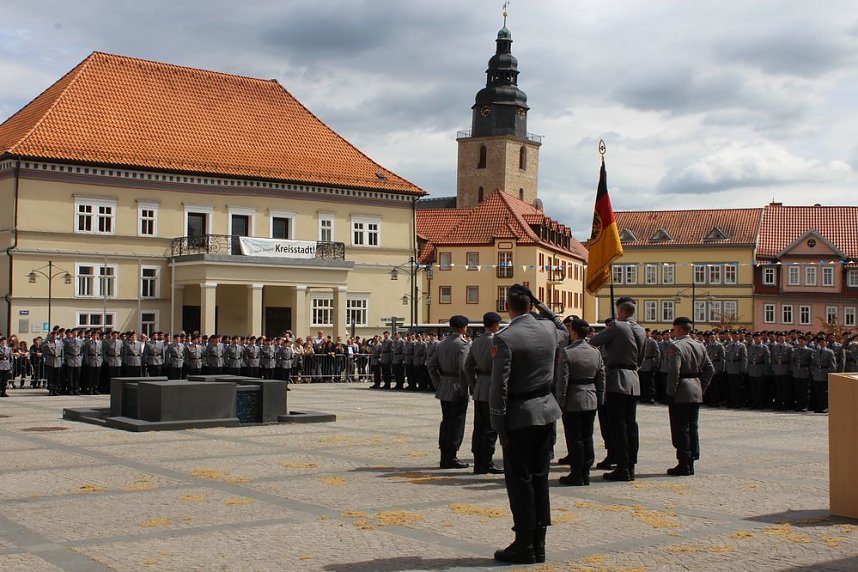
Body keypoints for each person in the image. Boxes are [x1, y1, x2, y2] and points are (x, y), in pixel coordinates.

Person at [490, 284, 565, 565]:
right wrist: (541, 305)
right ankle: (539, 543)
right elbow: (561, 327)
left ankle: (523, 544)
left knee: (520, 482)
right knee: (540, 478)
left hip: (519, 416)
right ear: (531, 305)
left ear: (508, 307)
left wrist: (497, 422)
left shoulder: (505, 337)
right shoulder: (549, 331)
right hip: (546, 411)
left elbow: (499, 387)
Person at [588, 297, 646, 482]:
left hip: (617, 378)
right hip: (633, 378)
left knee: (617, 425)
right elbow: (641, 358)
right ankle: (630, 465)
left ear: (620, 311)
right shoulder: (641, 329)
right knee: (631, 425)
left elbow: (593, 342)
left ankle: (622, 466)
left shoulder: (617, 326)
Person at [556, 316, 605, 486]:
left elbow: (563, 380)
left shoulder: (567, 352)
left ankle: (577, 472)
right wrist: (600, 397)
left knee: (574, 437)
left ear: (574, 332)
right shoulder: (595, 351)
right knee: (587, 436)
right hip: (591, 396)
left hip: (573, 398)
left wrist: (560, 401)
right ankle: (586, 471)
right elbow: (601, 378)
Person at [664, 317, 714, 476]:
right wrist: (702, 386)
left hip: (681, 390)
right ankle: (691, 459)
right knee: (693, 426)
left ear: (678, 329)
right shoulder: (699, 345)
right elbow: (710, 369)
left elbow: (674, 372)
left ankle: (684, 462)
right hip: (695, 388)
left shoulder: (676, 346)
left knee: (680, 427)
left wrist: (670, 392)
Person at [427, 315, 472, 470]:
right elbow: (463, 369)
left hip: (444, 386)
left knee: (446, 422)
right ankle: (452, 456)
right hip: (457, 388)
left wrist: (439, 383)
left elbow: (431, 366)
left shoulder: (442, 344)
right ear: (463, 328)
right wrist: (466, 389)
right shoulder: (463, 345)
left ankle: (444, 456)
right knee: (457, 423)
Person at [465, 312, 504, 475]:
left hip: (480, 385)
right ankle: (486, 462)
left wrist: (474, 384)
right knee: (490, 427)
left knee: (479, 426)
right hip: (492, 385)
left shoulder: (476, 342)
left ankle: (478, 461)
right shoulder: (498, 341)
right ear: (495, 325)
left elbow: (468, 366)